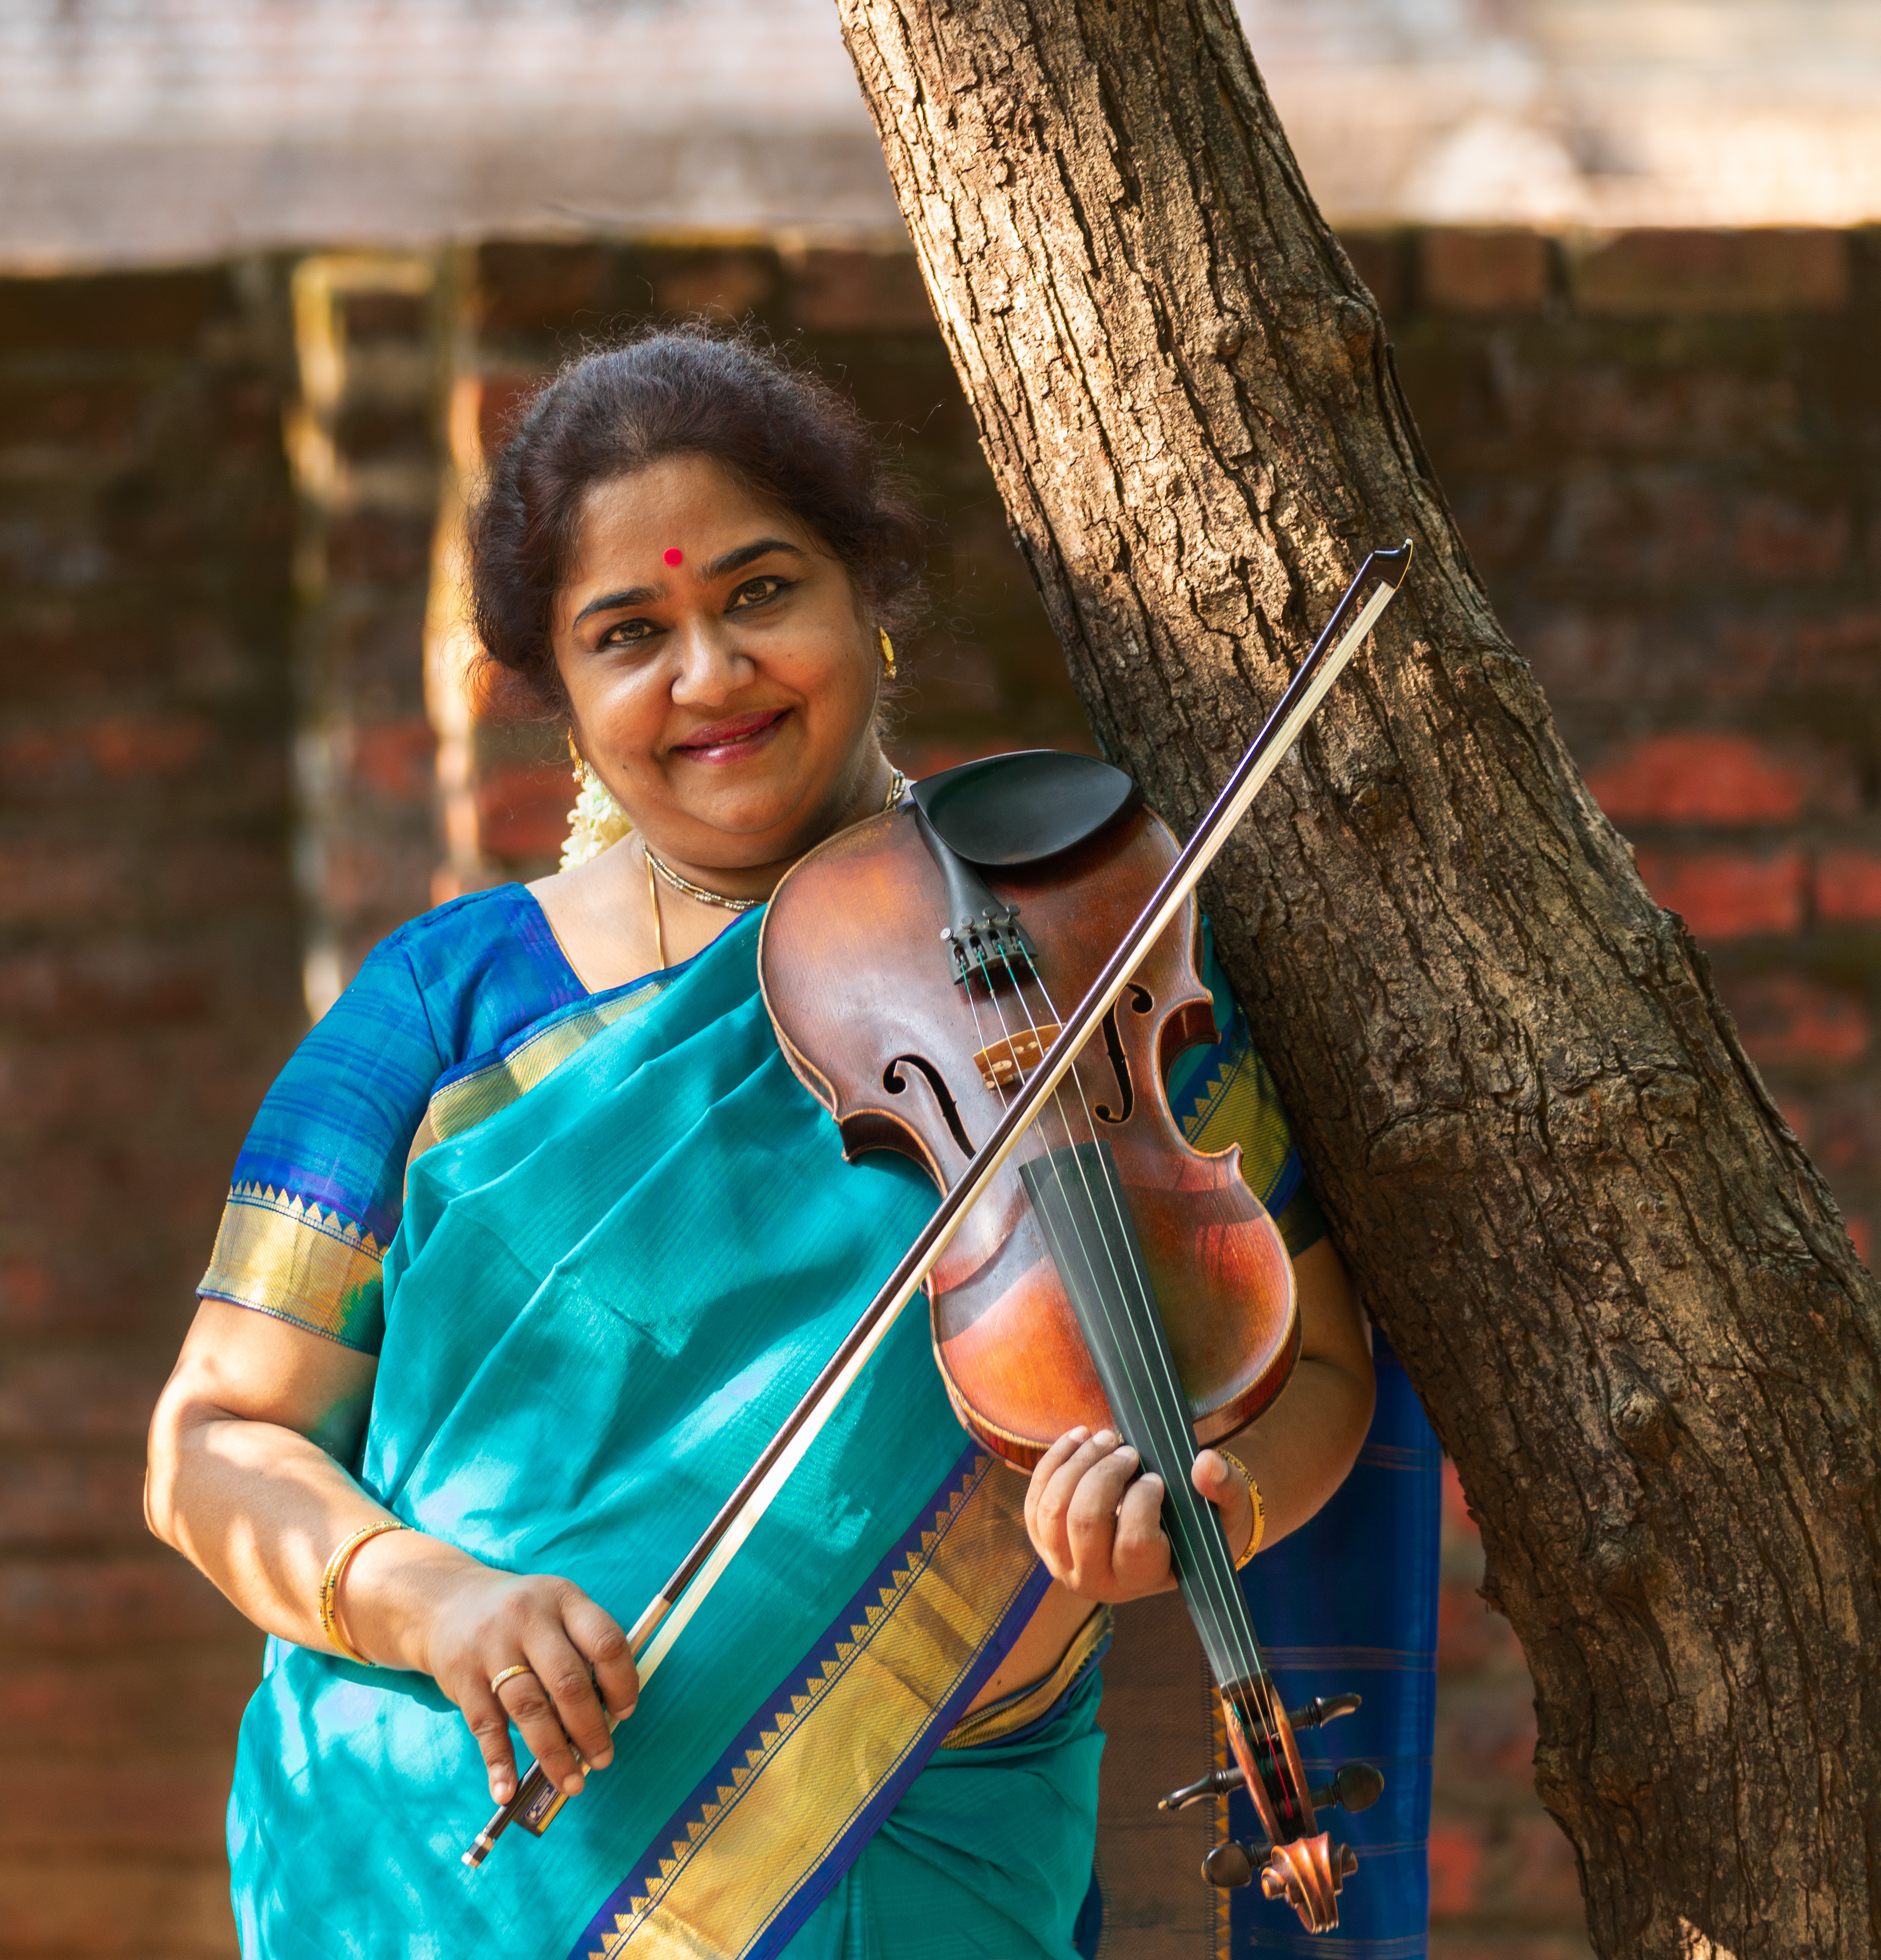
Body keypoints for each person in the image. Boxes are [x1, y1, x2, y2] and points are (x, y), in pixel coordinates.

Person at [143, 331, 1432, 1958]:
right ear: (558, 696)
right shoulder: (445, 1008)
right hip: (459, 1864)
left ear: (865, 598)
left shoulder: (1084, 946)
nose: (709, 674)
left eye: (760, 593)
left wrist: (1215, 1501)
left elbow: (1314, 1364)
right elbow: (206, 1446)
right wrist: (438, 1602)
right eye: (629, 634)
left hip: (932, 1833)